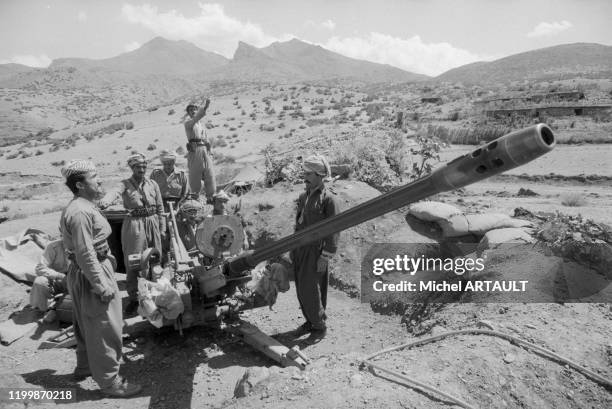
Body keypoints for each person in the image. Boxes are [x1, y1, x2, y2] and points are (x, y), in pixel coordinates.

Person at [59, 159, 141, 397]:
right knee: (105, 327)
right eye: (94, 178)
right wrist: (100, 284)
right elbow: (85, 252)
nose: (100, 180)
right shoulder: (81, 212)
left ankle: (85, 367)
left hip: (83, 271)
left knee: (86, 324)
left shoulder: (83, 206)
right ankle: (110, 382)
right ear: (80, 184)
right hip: (91, 272)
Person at [99, 153, 166, 315]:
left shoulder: (153, 184)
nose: (142, 169)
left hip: (153, 223)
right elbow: (114, 192)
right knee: (134, 261)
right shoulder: (125, 184)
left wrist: (162, 228)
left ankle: (154, 295)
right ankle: (134, 298)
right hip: (134, 226)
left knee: (155, 259)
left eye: (144, 166)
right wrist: (105, 201)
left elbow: (160, 208)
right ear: (132, 168)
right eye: (138, 167)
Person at [290, 155, 339, 338]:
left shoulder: (329, 200)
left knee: (312, 289)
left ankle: (319, 325)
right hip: (300, 250)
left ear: (319, 175)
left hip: (316, 251)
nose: (305, 176)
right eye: (305, 172)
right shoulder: (304, 197)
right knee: (302, 289)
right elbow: (298, 224)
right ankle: (310, 321)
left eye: (309, 173)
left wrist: (325, 256)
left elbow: (334, 230)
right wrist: (293, 248)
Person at [184, 98, 216, 203]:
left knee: (209, 173)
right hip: (195, 150)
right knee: (195, 175)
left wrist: (210, 151)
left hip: (204, 150)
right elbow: (196, 118)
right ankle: (195, 200)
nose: (193, 111)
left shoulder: (200, 125)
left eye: (195, 109)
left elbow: (206, 139)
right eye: (191, 110)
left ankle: (211, 198)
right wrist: (206, 107)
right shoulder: (188, 122)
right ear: (188, 113)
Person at [30, 238, 69, 312]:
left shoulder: (84, 245)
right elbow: (40, 268)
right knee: (40, 282)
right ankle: (46, 310)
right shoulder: (52, 246)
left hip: (75, 282)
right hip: (57, 280)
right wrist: (60, 276)